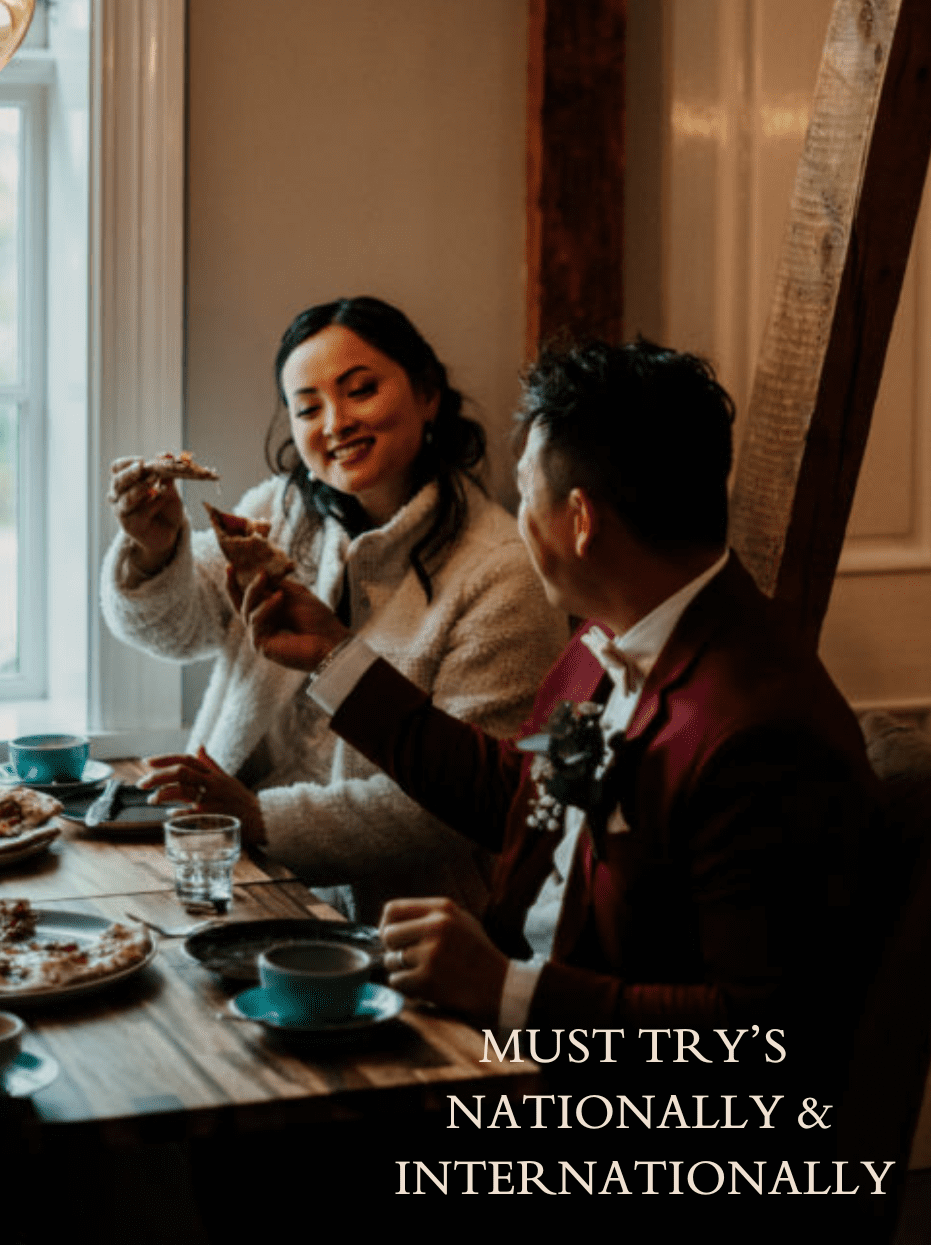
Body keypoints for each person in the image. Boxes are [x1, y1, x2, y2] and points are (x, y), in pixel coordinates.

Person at [238, 336, 879, 1061]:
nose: (516, 520)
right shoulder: (615, 627)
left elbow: (763, 1033)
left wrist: (505, 991)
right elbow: (519, 794)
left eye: (525, 494)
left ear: (580, 519)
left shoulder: (763, 734)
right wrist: (334, 658)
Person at [100, 295, 566, 923]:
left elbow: (468, 803)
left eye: (361, 390)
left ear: (428, 394)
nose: (336, 423)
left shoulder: (501, 573)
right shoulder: (278, 515)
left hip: (403, 925)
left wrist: (260, 817)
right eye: (308, 408)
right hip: (231, 876)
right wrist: (154, 550)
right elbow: (174, 629)